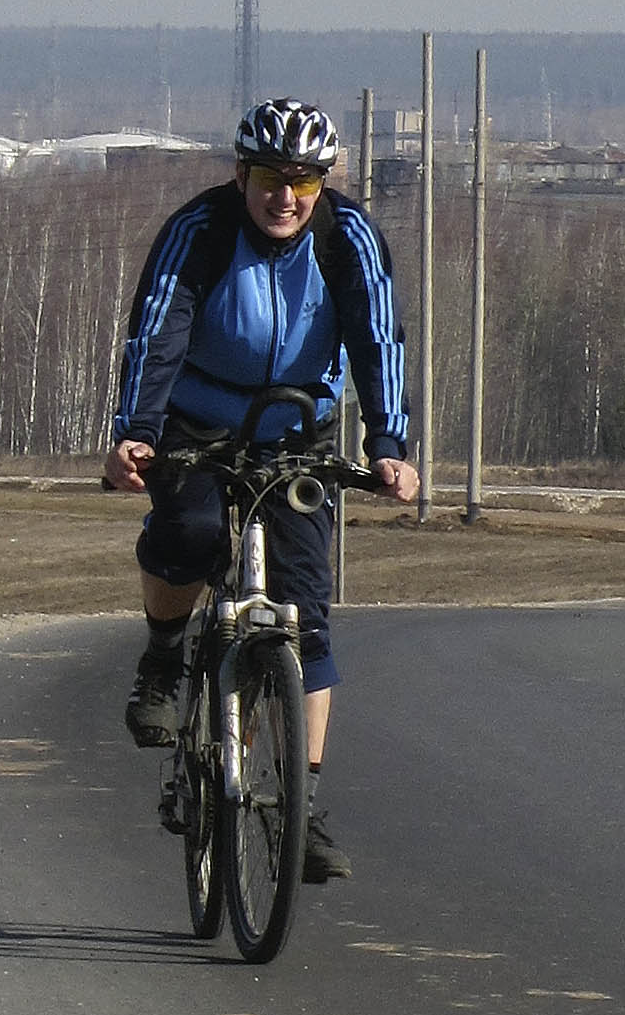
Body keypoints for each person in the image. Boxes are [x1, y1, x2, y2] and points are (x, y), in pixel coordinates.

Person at [103, 98, 419, 882]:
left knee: (306, 619)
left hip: (296, 430)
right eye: (271, 178)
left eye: (304, 180)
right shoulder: (201, 230)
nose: (286, 196)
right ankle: (163, 658)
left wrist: (388, 446)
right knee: (189, 533)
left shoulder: (348, 237)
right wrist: (137, 431)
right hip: (197, 422)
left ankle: (298, 810)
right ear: (241, 175)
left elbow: (378, 339)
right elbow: (157, 332)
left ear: (322, 183)